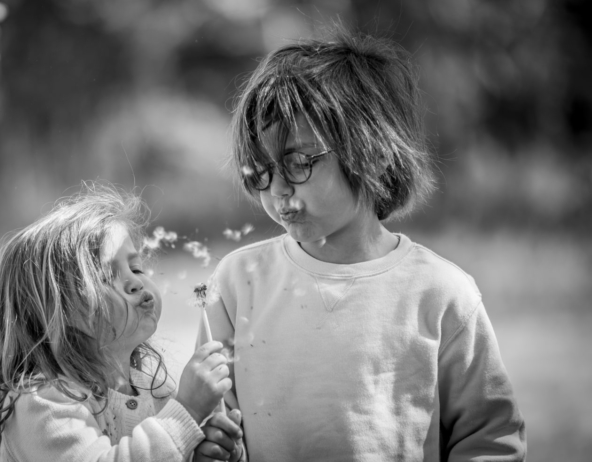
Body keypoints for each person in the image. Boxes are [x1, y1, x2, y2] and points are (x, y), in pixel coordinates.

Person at [202, 26, 527, 461]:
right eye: (259, 170)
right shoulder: (238, 283)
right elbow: (213, 420)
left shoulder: (440, 294)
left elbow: (489, 436)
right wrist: (208, 445)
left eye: (298, 162)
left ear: (371, 151)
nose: (277, 190)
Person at [0, 183, 243, 462]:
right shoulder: (45, 403)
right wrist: (185, 413)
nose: (136, 282)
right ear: (55, 313)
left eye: (137, 268)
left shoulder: (154, 389)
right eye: (105, 277)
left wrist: (198, 454)